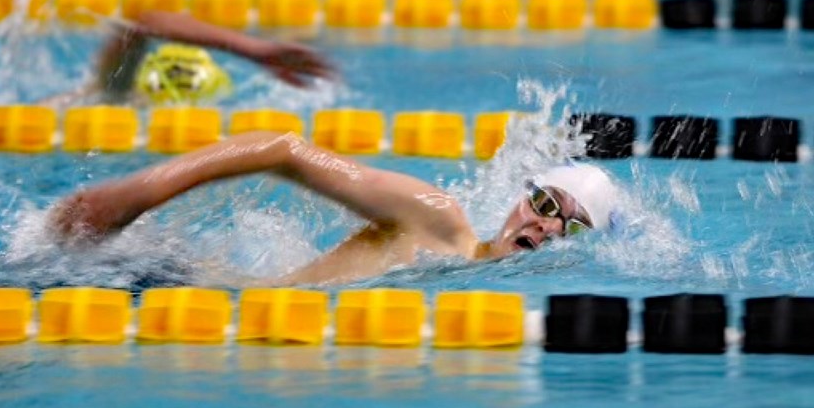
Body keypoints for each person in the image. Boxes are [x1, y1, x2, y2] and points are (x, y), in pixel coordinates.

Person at [48, 130, 625, 286]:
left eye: (569, 226)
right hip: (162, 286)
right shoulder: (439, 220)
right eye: (545, 202)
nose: (546, 224)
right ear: (518, 199)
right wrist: (134, 197)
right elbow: (284, 151)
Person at [38, 10, 335, 108]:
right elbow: (143, 22)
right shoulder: (111, 96)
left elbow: (139, 24)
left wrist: (254, 49)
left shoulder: (108, 94)